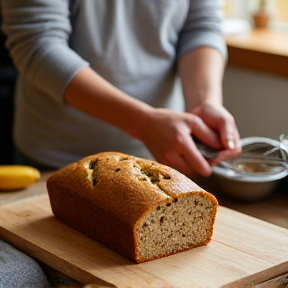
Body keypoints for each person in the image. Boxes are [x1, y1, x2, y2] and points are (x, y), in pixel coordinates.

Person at [1, 0, 240, 179]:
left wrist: (204, 103)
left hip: (161, 155)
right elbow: (37, 43)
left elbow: (201, 26)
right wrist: (143, 123)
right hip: (57, 155)